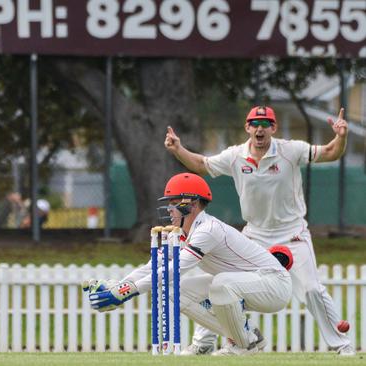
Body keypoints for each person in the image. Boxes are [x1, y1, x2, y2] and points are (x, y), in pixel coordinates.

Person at [164, 106, 354, 356]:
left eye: (265, 123)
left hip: (293, 233)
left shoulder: (290, 150)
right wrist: (178, 149)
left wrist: (341, 137)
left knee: (310, 289)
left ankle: (342, 345)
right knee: (219, 282)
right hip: (254, 235)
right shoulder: (235, 156)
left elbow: (330, 152)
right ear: (247, 128)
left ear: (273, 128)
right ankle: (205, 342)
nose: (260, 128)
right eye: (255, 123)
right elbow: (201, 165)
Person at [85, 173, 293, 355]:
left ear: (190, 204)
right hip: (241, 283)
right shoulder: (181, 234)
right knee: (173, 292)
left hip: (274, 284)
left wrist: (127, 292)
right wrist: (117, 288)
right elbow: (153, 267)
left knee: (220, 283)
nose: (169, 209)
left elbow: (174, 270)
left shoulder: (208, 230)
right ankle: (247, 337)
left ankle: (242, 346)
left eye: (173, 203)